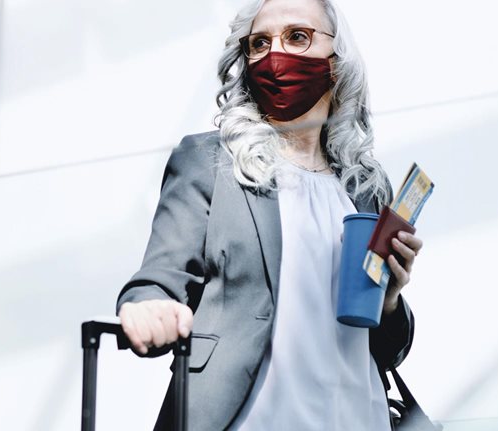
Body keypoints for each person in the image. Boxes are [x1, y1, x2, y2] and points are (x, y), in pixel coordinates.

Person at [116, 0, 424, 429]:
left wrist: (389, 300)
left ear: (337, 61)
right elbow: (159, 280)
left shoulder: (365, 186)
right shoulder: (209, 162)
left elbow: (388, 350)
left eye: (297, 36)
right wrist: (146, 307)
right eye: (259, 43)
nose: (275, 55)